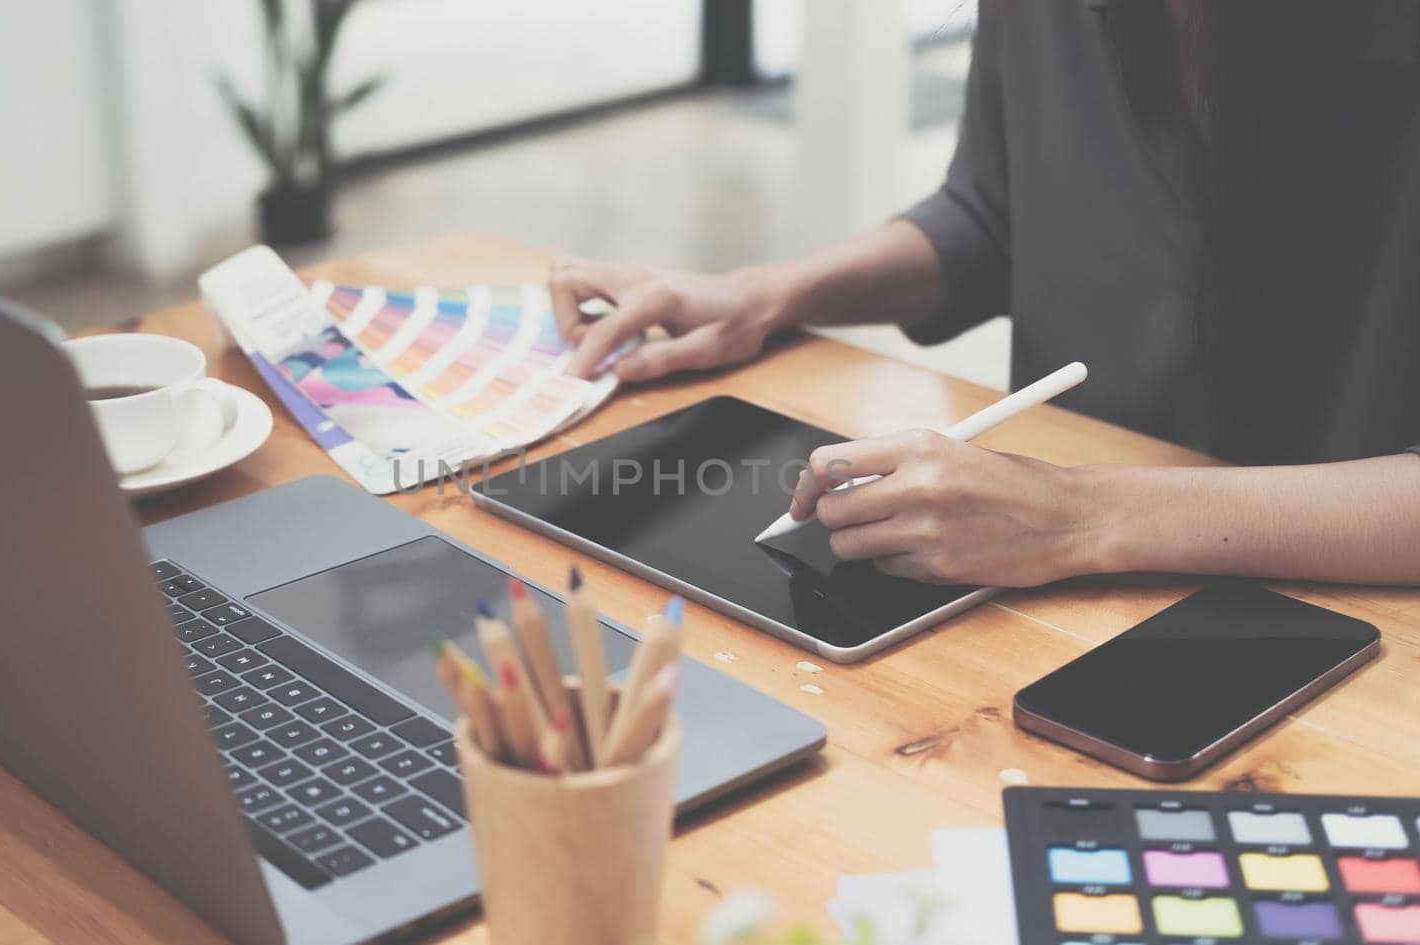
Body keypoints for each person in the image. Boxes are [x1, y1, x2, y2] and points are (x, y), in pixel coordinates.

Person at [548, 0, 1420, 588]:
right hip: (1061, 593)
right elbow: (992, 214)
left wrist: (1081, 517)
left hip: (1359, 622)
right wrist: (764, 293)